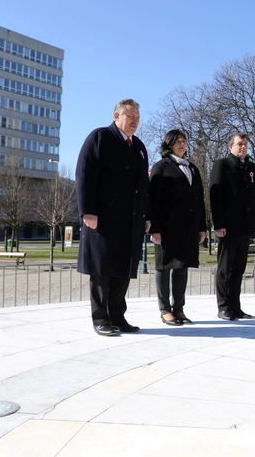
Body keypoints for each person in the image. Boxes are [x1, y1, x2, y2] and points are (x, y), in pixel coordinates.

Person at [76, 99, 150, 336]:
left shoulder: (138, 146)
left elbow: (143, 185)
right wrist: (88, 210)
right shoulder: (100, 137)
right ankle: (101, 318)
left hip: (130, 220)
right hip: (103, 219)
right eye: (131, 116)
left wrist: (146, 214)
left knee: (122, 269)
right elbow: (84, 174)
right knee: (102, 270)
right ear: (116, 116)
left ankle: (118, 316)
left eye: (138, 118)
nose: (135, 121)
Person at [148, 129, 206, 326]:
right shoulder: (160, 167)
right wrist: (154, 229)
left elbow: (199, 200)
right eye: (177, 141)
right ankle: (165, 310)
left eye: (184, 141)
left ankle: (179, 309)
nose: (182, 144)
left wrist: (202, 227)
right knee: (164, 267)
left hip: (188, 228)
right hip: (166, 228)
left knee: (182, 267)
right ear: (169, 145)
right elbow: (153, 201)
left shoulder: (193, 168)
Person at [209, 133, 255, 321]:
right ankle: (223, 307)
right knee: (225, 269)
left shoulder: (252, 168)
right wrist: (218, 224)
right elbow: (215, 196)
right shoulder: (222, 165)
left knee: (238, 269)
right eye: (240, 144)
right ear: (230, 146)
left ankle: (235, 307)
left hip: (246, 226)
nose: (243, 147)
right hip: (229, 226)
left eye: (245, 144)